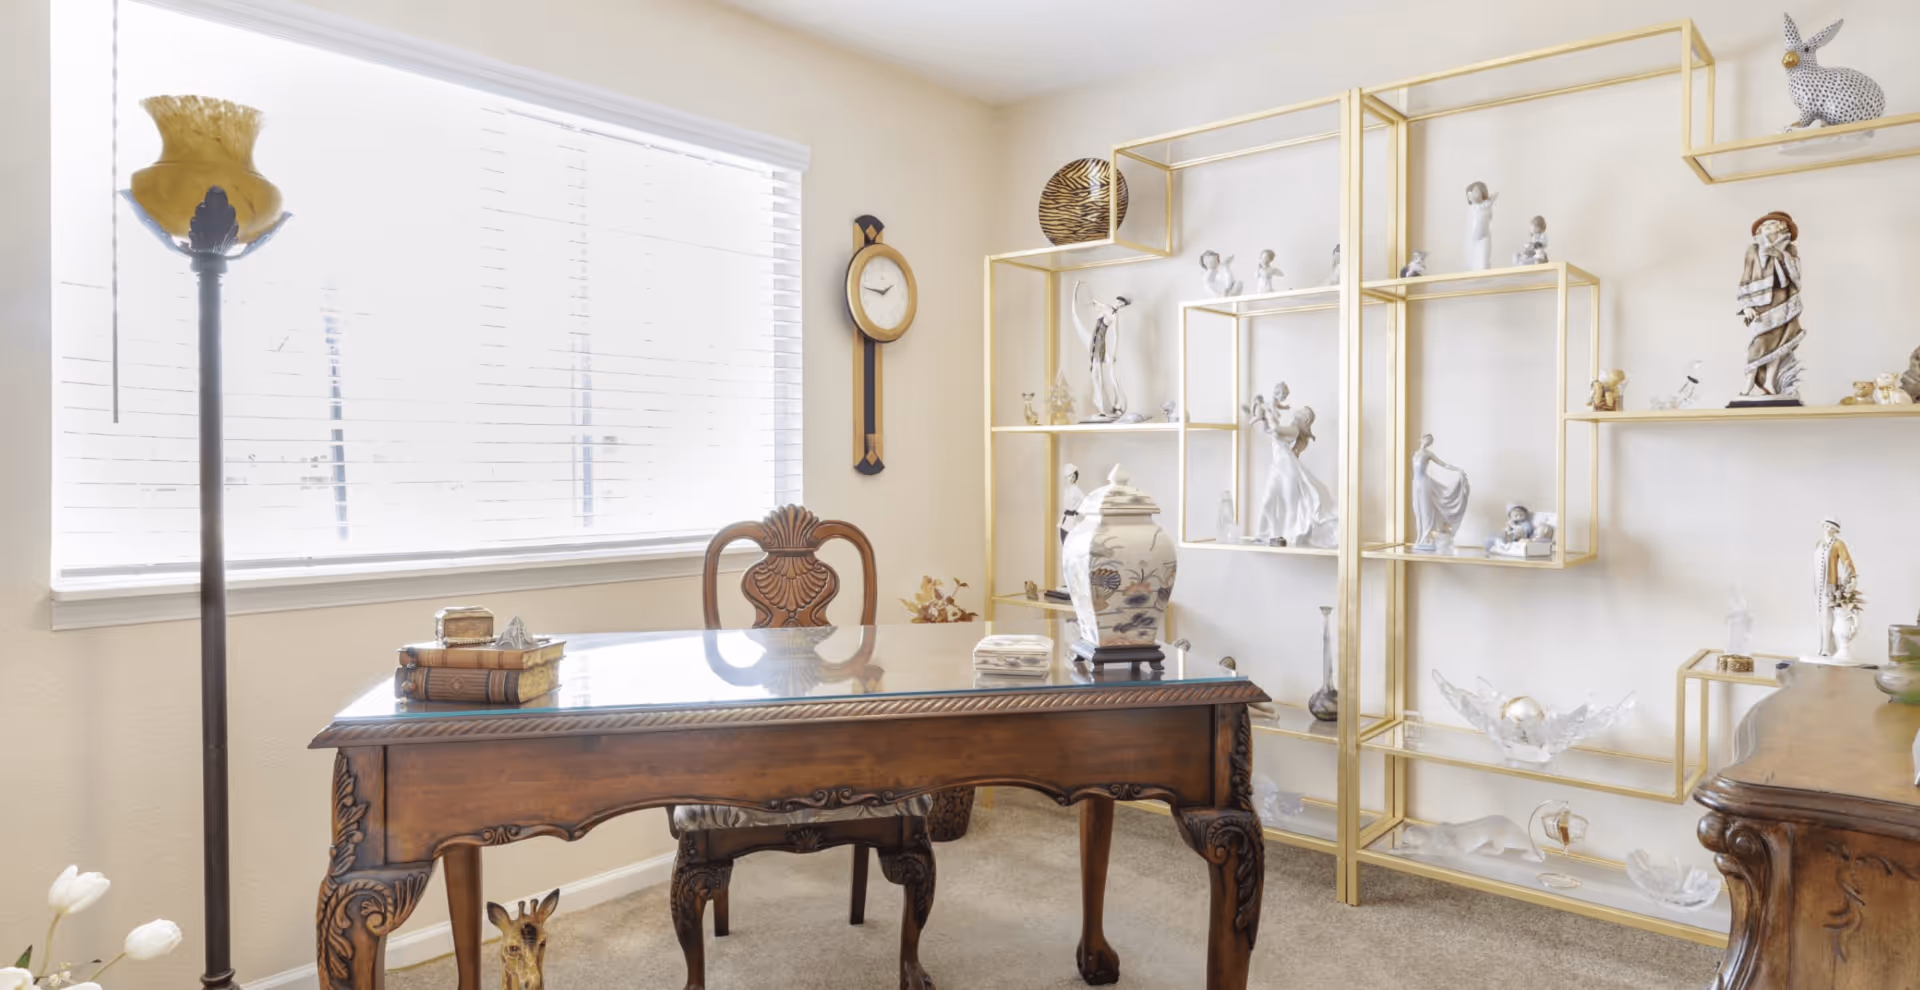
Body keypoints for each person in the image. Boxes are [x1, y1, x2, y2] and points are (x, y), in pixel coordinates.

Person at [1735, 212, 1805, 400]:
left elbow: (1797, 278)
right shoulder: (1753, 249)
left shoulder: (1789, 249)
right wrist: (1746, 305)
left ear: (1782, 226)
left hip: (1784, 301)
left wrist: (1782, 256)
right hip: (1761, 303)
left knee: (1780, 343)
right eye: (1764, 224)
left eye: (1772, 223)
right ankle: (1748, 383)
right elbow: (1746, 277)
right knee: (1759, 342)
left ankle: (1770, 383)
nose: (1767, 226)